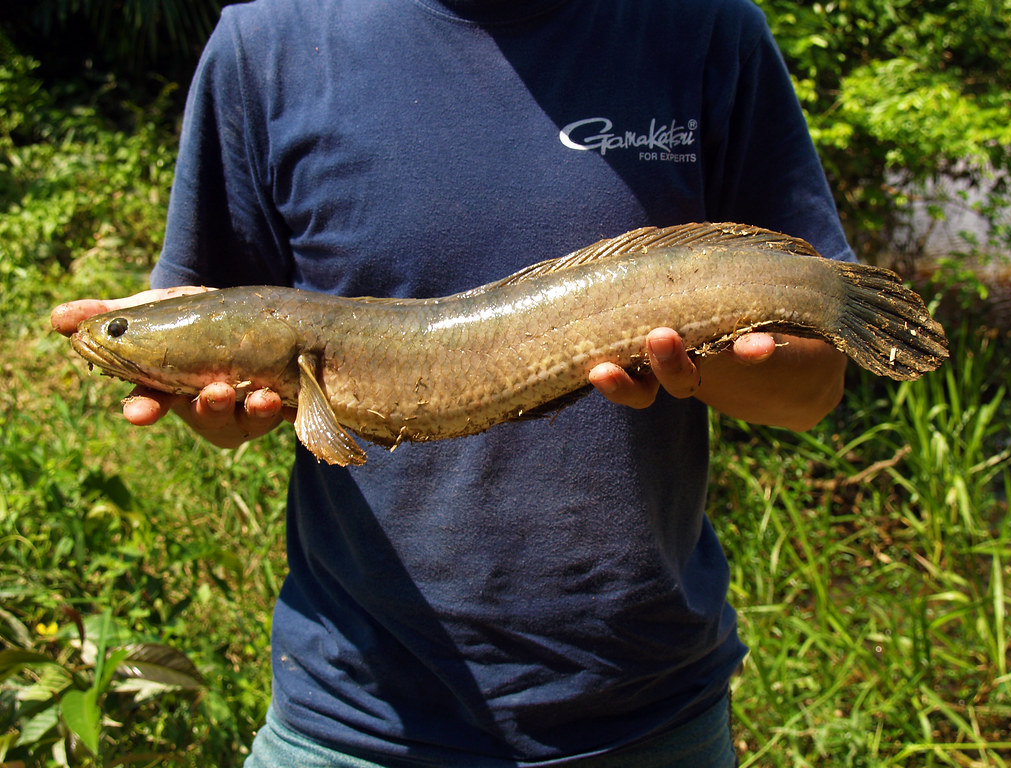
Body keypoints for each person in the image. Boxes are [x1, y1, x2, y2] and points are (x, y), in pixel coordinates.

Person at [52, 0, 852, 764]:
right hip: (354, 720)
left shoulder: (706, 31)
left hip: (649, 717)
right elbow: (223, 368)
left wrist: (701, 358)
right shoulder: (263, 48)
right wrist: (211, 409)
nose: (109, 342)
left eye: (118, 334)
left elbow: (814, 392)